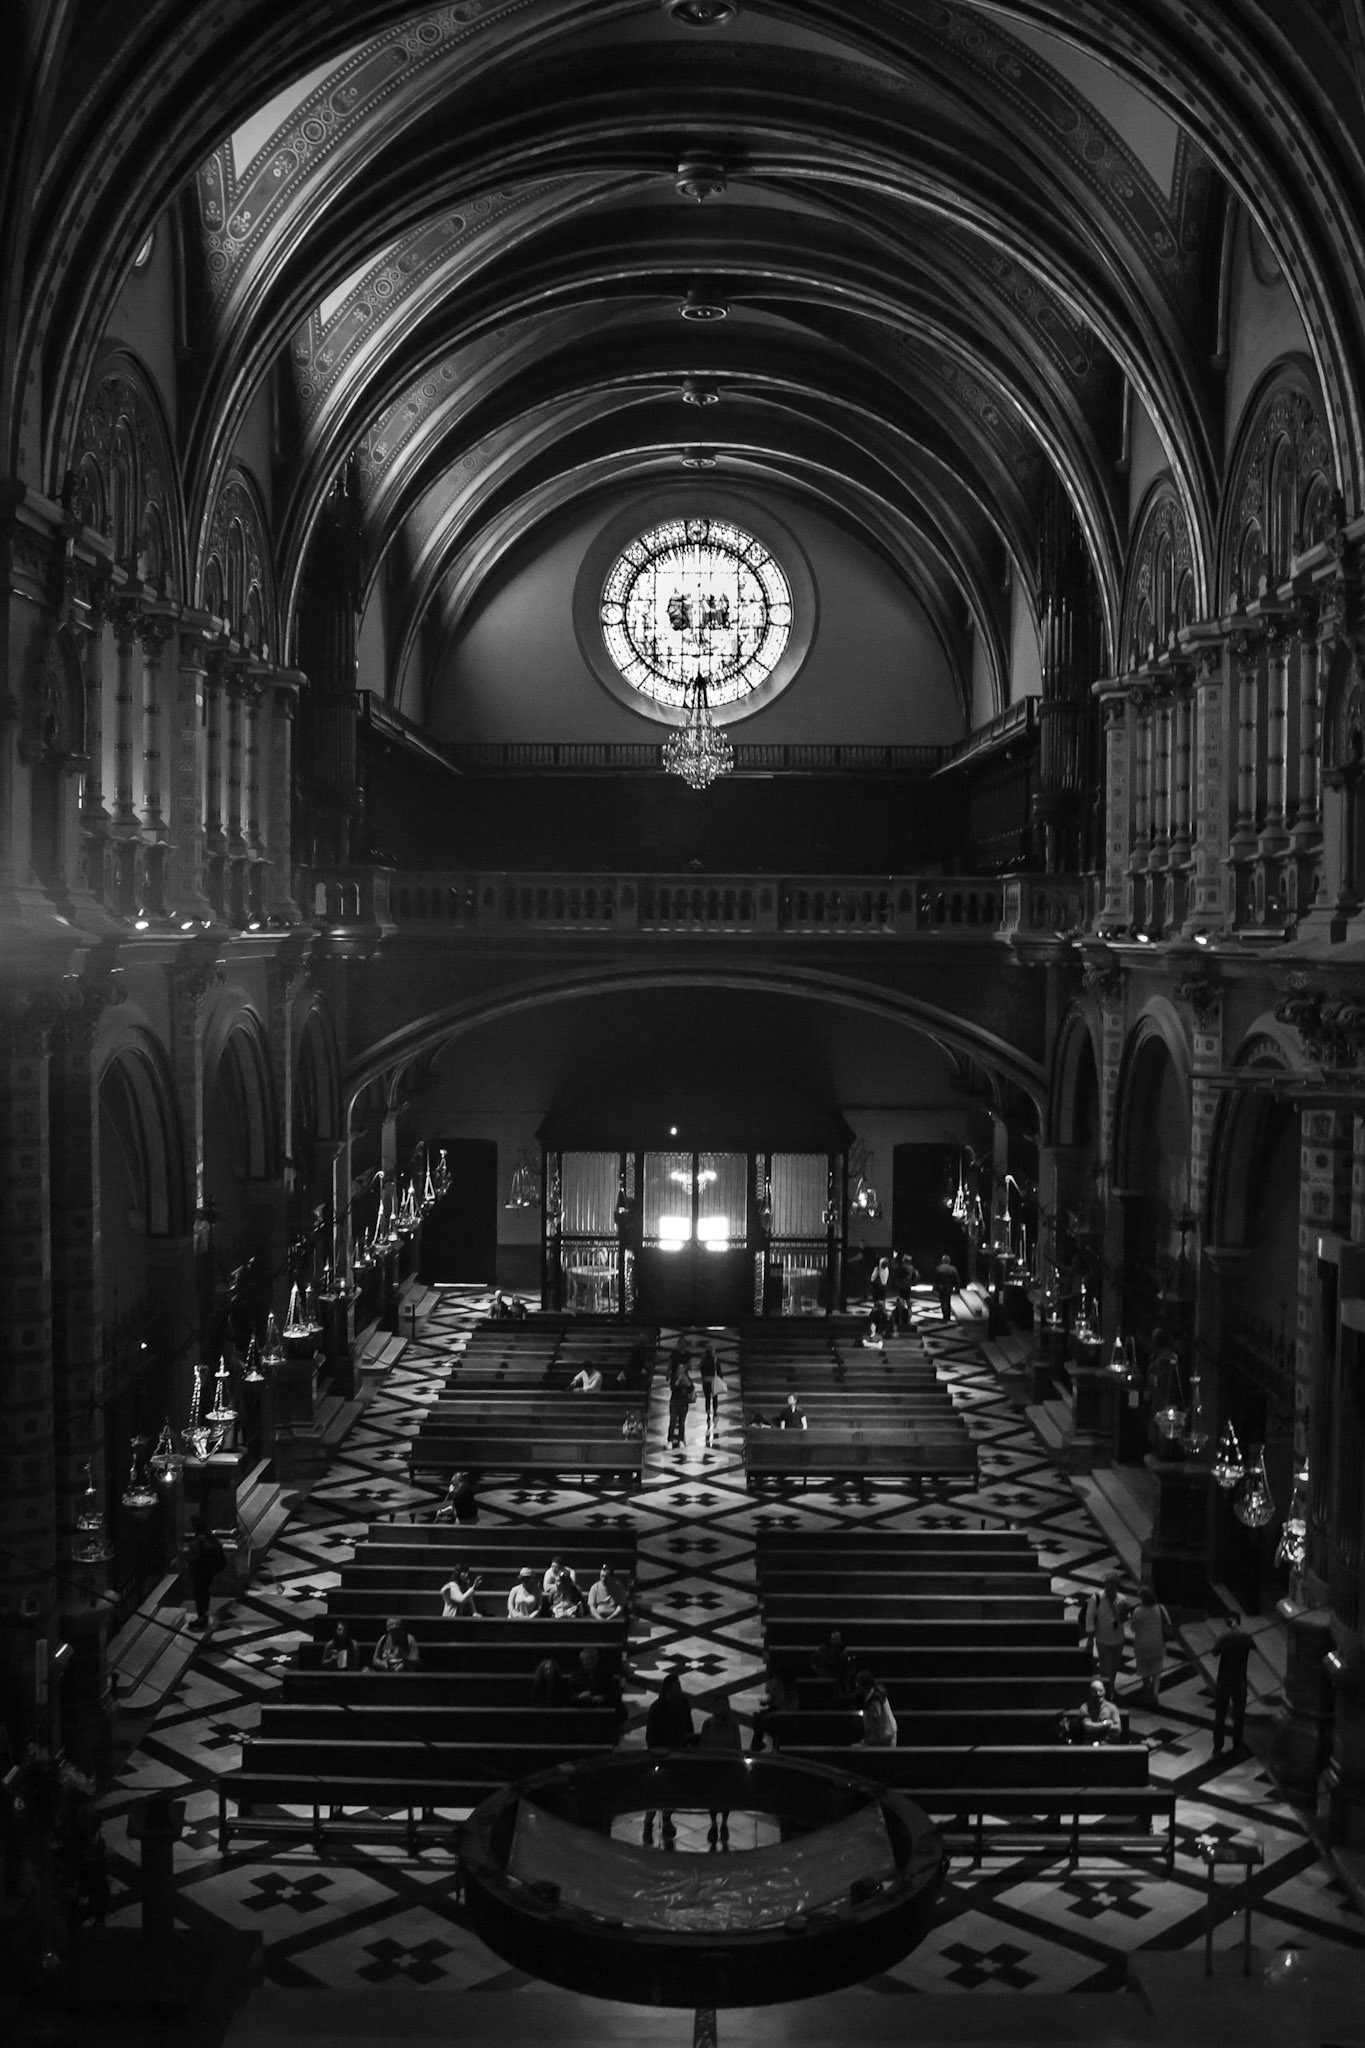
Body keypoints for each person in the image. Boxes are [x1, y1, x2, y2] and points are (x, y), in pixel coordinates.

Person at [642, 1673, 695, 1843]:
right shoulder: (657, 1708)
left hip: (677, 1751)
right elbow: (651, 1734)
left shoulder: (683, 1704)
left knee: (672, 1789)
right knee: (656, 1789)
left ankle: (667, 1819)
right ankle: (649, 1820)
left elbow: (688, 1726)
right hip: (660, 1753)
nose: (678, 1690)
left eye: (679, 1686)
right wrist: (655, 1752)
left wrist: (689, 1744)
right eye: (675, 1687)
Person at [700, 1694, 743, 1843]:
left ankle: (724, 1823)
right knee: (712, 1797)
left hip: (728, 1767)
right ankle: (713, 1823)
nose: (722, 1709)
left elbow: (738, 1746)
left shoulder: (733, 1725)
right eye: (719, 1705)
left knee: (726, 1797)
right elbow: (703, 1747)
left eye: (724, 1705)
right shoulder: (707, 1724)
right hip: (712, 1767)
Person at [1211, 1612, 1253, 1755]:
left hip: (1224, 1679)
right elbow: (1253, 1646)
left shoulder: (1225, 1637)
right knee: (1239, 1715)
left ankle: (1218, 1747)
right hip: (1239, 1679)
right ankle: (1237, 1745)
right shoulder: (1245, 1636)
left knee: (1220, 1715)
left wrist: (1224, 1635)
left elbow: (1215, 1652)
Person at [1085, 1573, 1130, 1698]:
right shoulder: (1097, 1598)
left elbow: (1124, 1619)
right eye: (1108, 1586)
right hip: (1102, 1639)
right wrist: (1090, 1638)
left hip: (1118, 1638)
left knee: (1114, 1667)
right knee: (1105, 1668)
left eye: (1113, 1586)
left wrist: (1124, 1612)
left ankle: (1111, 1688)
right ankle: (1106, 1692)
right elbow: (1090, 1617)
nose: (1110, 1589)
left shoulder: (1122, 1599)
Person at [1130, 1583, 1170, 1707]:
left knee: (1144, 1671)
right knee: (1157, 1671)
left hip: (1142, 1645)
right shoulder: (1160, 1608)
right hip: (1158, 1644)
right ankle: (1155, 1695)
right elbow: (1168, 1622)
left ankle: (1147, 1693)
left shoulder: (1138, 1611)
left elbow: (1133, 1627)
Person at [185, 1514, 227, 1629]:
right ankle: (203, 1616)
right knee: (204, 1592)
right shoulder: (209, 1536)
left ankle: (201, 1618)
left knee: (200, 1593)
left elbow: (195, 1556)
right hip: (209, 1570)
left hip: (202, 1570)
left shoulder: (200, 1539)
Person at [748, 1660, 796, 1754]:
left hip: (780, 1714)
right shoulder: (789, 1685)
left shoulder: (776, 1682)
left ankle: (758, 1747)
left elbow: (774, 1699)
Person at [1068, 1676, 1122, 1743]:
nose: (1098, 1694)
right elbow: (1088, 1727)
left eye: (1100, 1691)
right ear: (1091, 1692)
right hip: (1089, 1742)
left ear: (1104, 1691)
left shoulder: (1112, 1707)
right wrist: (1105, 1724)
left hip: (1106, 1743)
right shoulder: (1085, 1707)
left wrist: (1095, 1726)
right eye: (1095, 1691)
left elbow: (1118, 1728)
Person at [855, 1668, 897, 1747]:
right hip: (884, 1735)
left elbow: (874, 1724)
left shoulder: (875, 1700)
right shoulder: (874, 1693)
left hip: (884, 1738)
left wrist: (865, 1742)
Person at [668, 1354, 695, 1448]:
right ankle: (670, 1440)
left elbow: (691, 1388)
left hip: (684, 1403)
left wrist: (686, 1381)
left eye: (683, 1369)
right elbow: (673, 1388)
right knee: (672, 1421)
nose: (681, 1370)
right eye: (680, 1369)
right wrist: (679, 1380)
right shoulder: (674, 1378)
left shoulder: (687, 1378)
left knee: (682, 1423)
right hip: (674, 1402)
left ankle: (681, 1439)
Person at [698, 1345, 724, 1434]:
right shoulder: (716, 1361)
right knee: (715, 1398)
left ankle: (708, 1415)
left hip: (706, 1381)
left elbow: (701, 1372)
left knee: (707, 1399)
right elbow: (720, 1373)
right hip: (713, 1381)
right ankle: (715, 1414)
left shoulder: (703, 1361)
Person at [934, 1252, 961, 1324]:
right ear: (949, 1261)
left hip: (941, 1287)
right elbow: (956, 1279)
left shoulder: (939, 1268)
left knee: (943, 1302)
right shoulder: (953, 1269)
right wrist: (957, 1288)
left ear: (942, 1260)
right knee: (948, 1301)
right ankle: (948, 1317)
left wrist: (935, 1288)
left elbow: (936, 1280)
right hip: (949, 1287)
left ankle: (944, 1316)